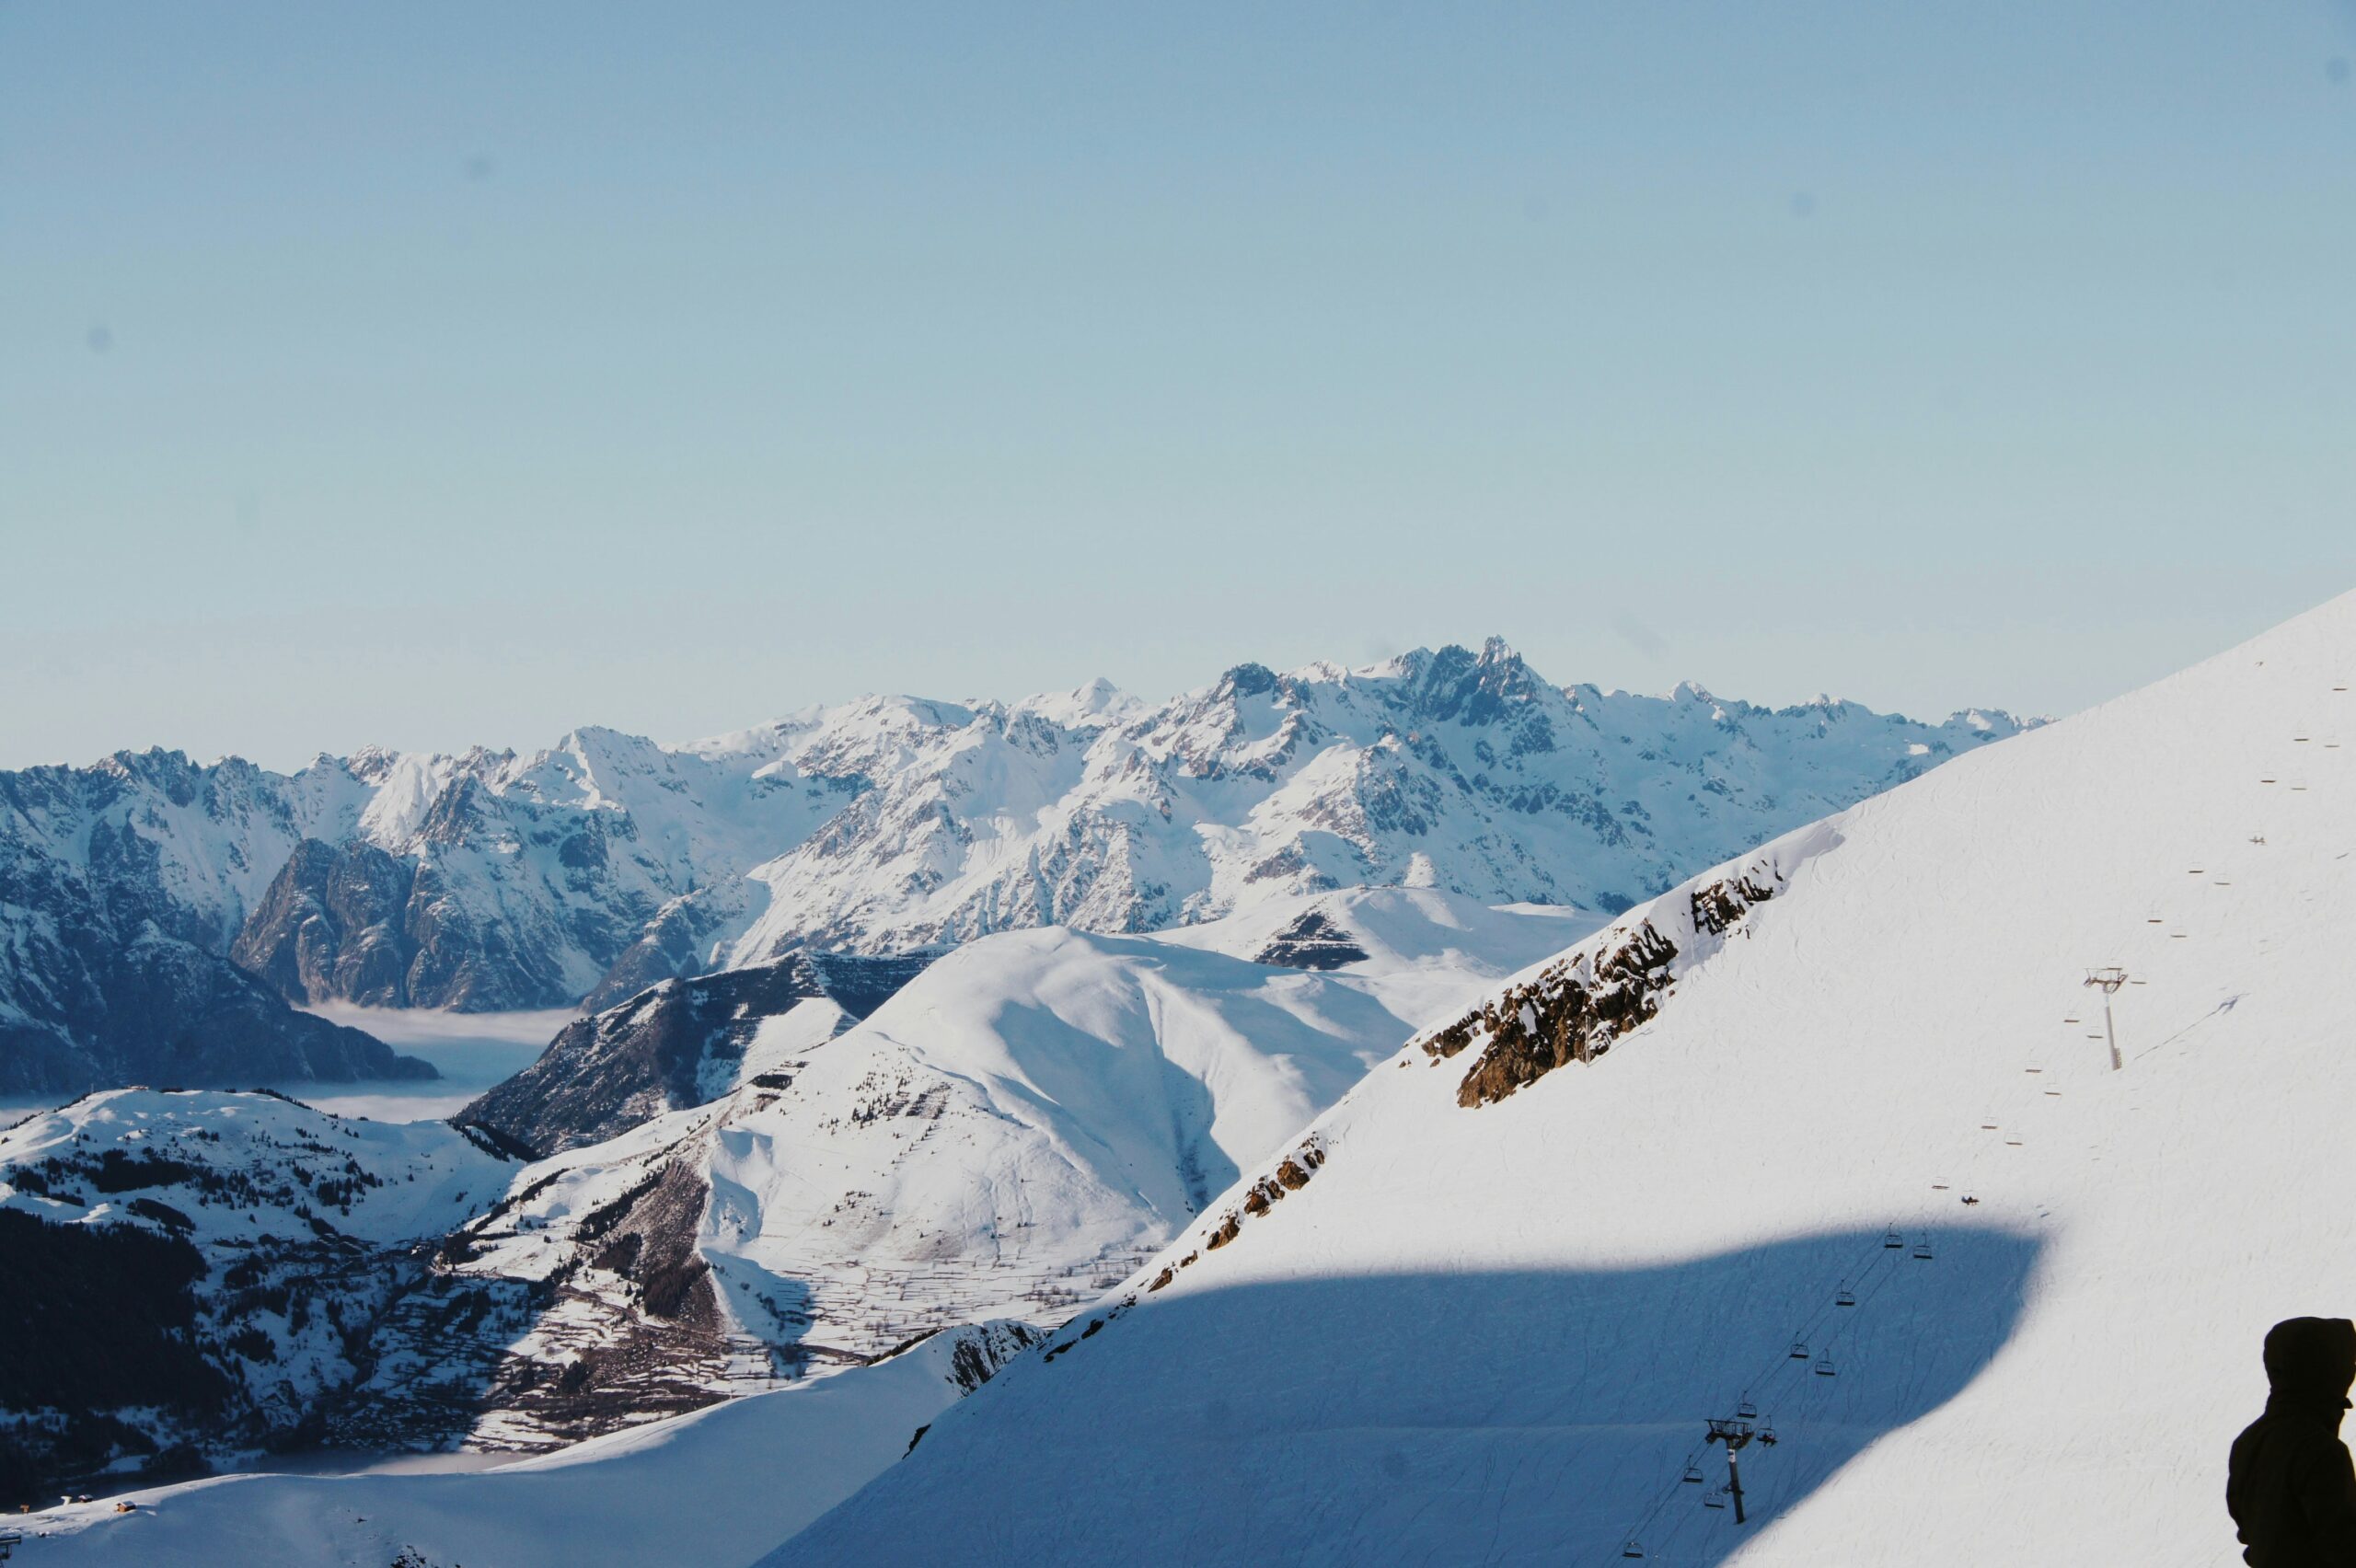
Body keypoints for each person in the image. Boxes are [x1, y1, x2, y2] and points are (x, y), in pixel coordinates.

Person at [2229, 1317, 2356, 1566]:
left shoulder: (2249, 1441)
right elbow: (2343, 1548)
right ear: (2327, 1369)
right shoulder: (2322, 1451)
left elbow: (2249, 1531)